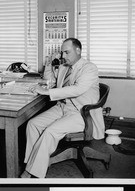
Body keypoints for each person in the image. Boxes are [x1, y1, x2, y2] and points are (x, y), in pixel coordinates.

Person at [20, 38, 105, 178]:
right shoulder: (65, 67)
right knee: (32, 124)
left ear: (78, 50)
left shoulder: (89, 68)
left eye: (67, 52)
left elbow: (78, 89)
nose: (63, 56)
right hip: (63, 107)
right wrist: (48, 64)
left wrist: (46, 92)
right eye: (62, 53)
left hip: (81, 112)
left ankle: (30, 173)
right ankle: (35, 163)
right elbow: (50, 81)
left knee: (50, 131)